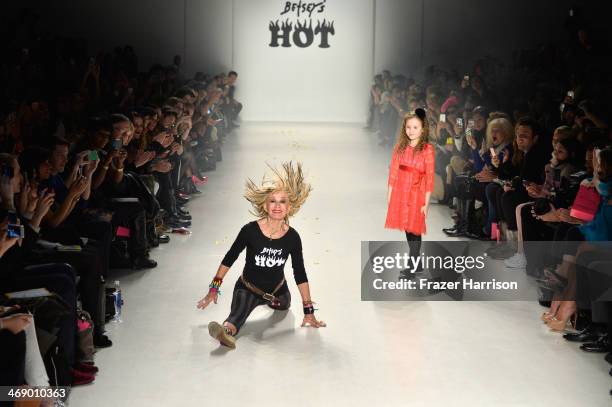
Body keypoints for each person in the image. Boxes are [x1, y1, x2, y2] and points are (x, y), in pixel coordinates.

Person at [197, 162, 326, 349]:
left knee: (284, 305)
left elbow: (300, 272)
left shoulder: (292, 237)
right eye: (272, 201)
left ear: (289, 208)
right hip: (248, 288)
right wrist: (214, 288)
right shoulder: (250, 230)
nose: (277, 206)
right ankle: (225, 333)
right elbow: (229, 258)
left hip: (278, 292)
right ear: (265, 205)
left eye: (283, 201)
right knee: (236, 317)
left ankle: (246, 316)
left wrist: (308, 310)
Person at [385, 109, 435, 278]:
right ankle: (417, 263)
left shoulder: (427, 150)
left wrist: (426, 203)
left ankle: (412, 266)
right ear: (404, 128)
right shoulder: (400, 148)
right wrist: (390, 195)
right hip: (401, 192)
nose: (411, 130)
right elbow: (393, 172)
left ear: (423, 129)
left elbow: (429, 178)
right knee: (408, 228)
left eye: (415, 127)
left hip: (418, 193)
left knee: (415, 230)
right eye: (408, 127)